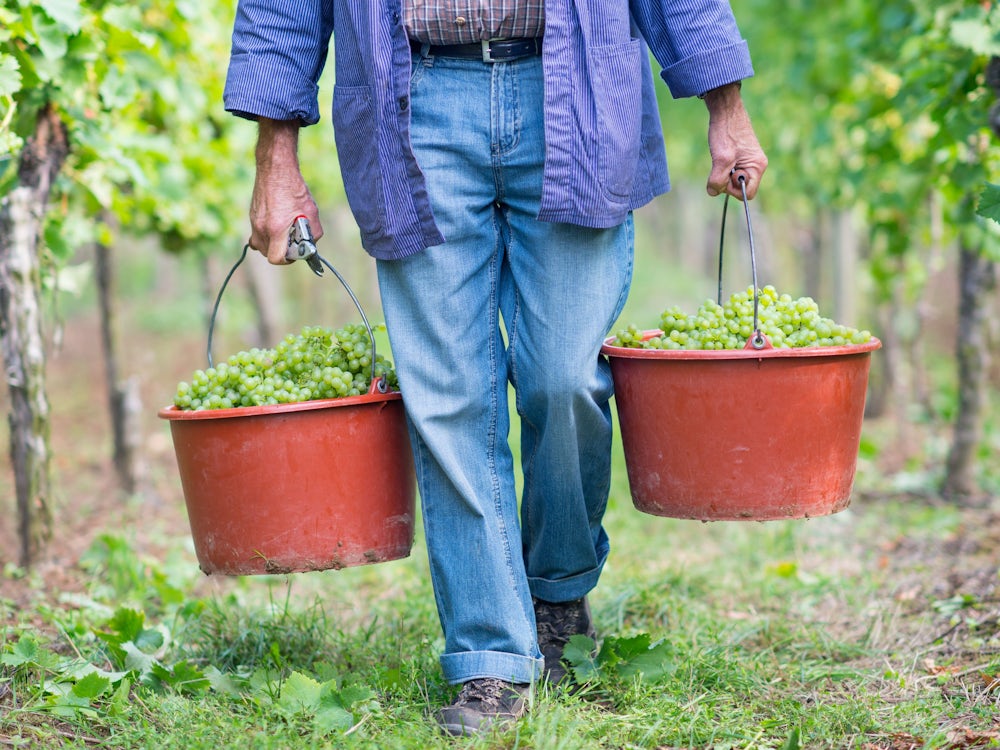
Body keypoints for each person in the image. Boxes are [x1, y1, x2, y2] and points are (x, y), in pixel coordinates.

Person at [224, 0, 767, 737]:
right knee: (448, 399)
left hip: (572, 86)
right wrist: (275, 158)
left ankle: (557, 588)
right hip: (412, 100)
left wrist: (725, 106)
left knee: (564, 377)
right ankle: (488, 656)